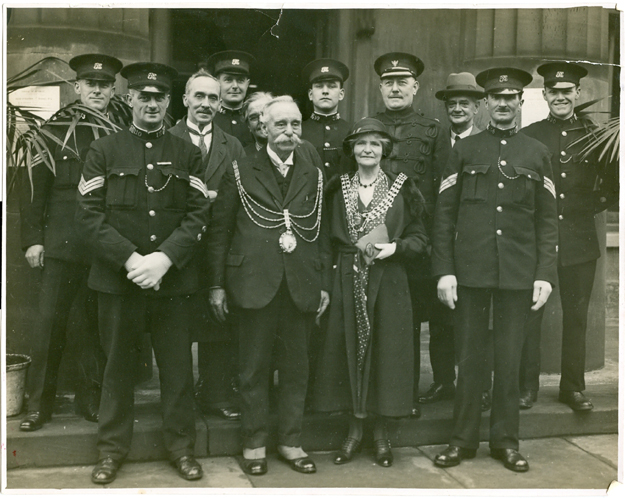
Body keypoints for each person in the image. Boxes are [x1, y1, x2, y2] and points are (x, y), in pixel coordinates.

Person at [76, 62, 211, 484]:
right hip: (120, 280)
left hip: (173, 282)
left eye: (159, 97)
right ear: (129, 99)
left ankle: (182, 450)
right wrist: (133, 260)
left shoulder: (188, 153)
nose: (151, 103)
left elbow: (197, 214)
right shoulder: (104, 150)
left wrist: (164, 259)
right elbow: (88, 216)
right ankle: (111, 452)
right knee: (117, 369)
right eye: (143, 96)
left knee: (176, 370)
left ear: (169, 103)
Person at [431, 67, 558, 473]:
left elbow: (547, 221)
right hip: (470, 273)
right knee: (468, 360)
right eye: (496, 99)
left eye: (511, 98)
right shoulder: (465, 152)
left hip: (518, 275)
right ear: (486, 104)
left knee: (509, 361)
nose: (503, 105)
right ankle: (462, 441)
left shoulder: (536, 153)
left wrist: (544, 273)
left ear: (520, 103)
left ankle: (506, 442)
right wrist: (445, 270)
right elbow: (444, 217)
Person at [207, 96, 331, 476]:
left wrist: (323, 282)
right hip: (253, 284)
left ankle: (291, 442)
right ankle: (254, 443)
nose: (289, 132)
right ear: (264, 126)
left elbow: (319, 232)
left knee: (297, 368)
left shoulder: (313, 172)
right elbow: (220, 232)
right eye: (280, 125)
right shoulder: (241, 169)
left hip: (301, 284)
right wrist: (217, 286)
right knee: (253, 369)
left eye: (295, 125)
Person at [313, 118, 427, 468]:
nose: (367, 149)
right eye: (361, 143)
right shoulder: (337, 187)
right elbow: (322, 240)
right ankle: (353, 430)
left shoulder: (403, 187)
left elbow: (421, 238)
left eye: (375, 144)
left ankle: (380, 434)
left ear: (385, 150)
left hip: (388, 281)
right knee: (346, 349)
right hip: (345, 278)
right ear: (351, 149)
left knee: (385, 352)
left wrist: (396, 248)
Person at [18, 53, 123, 431]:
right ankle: (38, 405)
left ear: (114, 89)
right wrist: (32, 240)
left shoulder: (120, 131)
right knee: (49, 325)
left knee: (96, 327)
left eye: (104, 85)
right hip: (61, 244)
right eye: (90, 84)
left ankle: (91, 400)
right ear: (76, 87)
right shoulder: (53, 128)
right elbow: (34, 189)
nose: (97, 90)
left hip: (103, 247)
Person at [519, 62, 619, 411]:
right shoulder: (530, 135)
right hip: (537, 241)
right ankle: (526, 387)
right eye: (554, 92)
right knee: (530, 313)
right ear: (545, 94)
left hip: (578, 238)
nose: (560, 97)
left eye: (567, 91)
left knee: (576, 315)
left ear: (578, 94)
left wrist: (584, 209)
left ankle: (572, 388)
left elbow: (611, 185)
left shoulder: (595, 135)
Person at [371, 52, 451, 418]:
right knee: (387, 319)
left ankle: (417, 391)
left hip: (419, 242)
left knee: (418, 317)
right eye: (389, 82)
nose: (395, 88)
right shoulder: (367, 127)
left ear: (415, 87)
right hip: (375, 239)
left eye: (403, 82)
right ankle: (390, 394)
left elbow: (443, 192)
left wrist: (433, 242)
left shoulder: (434, 130)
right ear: (381, 87)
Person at [168, 69, 245, 421]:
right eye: (198, 96)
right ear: (185, 99)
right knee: (177, 329)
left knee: (218, 321)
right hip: (177, 249)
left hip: (219, 246)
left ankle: (214, 394)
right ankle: (180, 398)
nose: (205, 104)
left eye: (212, 98)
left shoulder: (233, 144)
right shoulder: (167, 138)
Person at [422, 72, 492, 411]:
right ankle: (443, 382)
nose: (459, 109)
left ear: (478, 107)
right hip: (440, 240)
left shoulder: (487, 142)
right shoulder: (436, 144)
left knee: (475, 320)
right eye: (453, 105)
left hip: (476, 244)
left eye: (465, 104)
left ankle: (476, 384)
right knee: (441, 317)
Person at [301, 58, 352, 181]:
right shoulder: (299, 131)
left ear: (341, 94)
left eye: (331, 86)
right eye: (319, 86)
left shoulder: (352, 131)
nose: (325, 91)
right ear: (310, 94)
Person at [207, 50, 255, 148]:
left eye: (240, 80)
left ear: (248, 84)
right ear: (217, 82)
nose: (235, 86)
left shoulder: (255, 120)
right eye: (228, 80)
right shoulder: (208, 119)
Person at [242, 91, 274, 155]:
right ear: (248, 125)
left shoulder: (296, 152)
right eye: (254, 117)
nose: (261, 120)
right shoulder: (242, 155)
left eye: (265, 114)